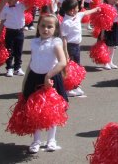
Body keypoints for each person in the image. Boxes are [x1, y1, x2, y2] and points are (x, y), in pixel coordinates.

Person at [23, 13, 68, 153]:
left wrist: (49, 75)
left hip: (51, 79)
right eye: (43, 25)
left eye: (50, 26)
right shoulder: (34, 42)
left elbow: (62, 62)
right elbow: (32, 61)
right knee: (36, 110)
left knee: (51, 110)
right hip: (35, 78)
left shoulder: (56, 42)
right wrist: (25, 80)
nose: (46, 29)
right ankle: (36, 140)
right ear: (38, 26)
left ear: (55, 29)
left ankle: (51, 139)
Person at [60, 0, 99, 97]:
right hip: (69, 47)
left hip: (77, 46)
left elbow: (86, 12)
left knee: (76, 66)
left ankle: (75, 85)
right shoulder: (65, 22)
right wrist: (65, 52)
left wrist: (96, 9)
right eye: (77, 7)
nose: (79, 9)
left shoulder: (77, 15)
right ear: (71, 10)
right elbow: (63, 39)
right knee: (70, 68)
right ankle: (68, 88)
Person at [0, 0, 26, 77]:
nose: (9, 1)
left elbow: (30, 3)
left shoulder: (21, 6)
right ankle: (9, 68)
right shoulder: (5, 9)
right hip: (10, 32)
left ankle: (17, 68)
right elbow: (2, 22)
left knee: (19, 51)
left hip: (20, 32)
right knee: (9, 51)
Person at [97, 0, 118, 70]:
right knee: (106, 46)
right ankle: (105, 62)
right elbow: (103, 21)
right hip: (107, 27)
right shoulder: (104, 6)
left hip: (115, 26)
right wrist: (103, 33)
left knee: (113, 46)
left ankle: (110, 61)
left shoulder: (116, 5)